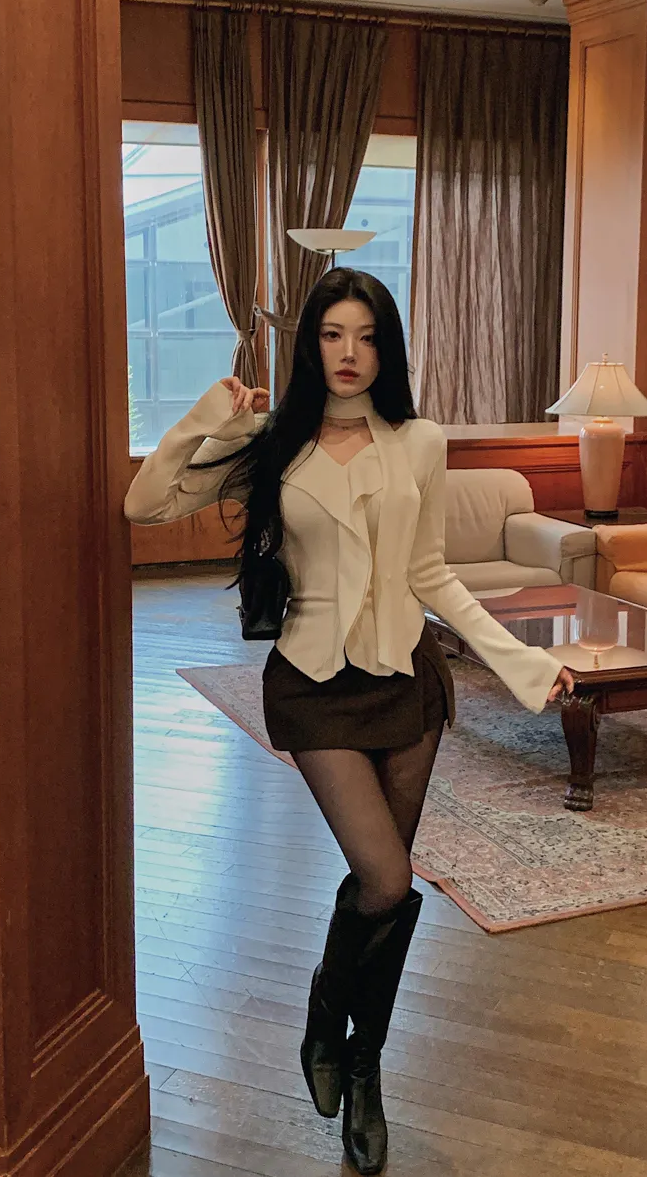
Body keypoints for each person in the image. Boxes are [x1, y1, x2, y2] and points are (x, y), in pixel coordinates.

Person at [124, 269, 574, 1176]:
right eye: (332, 335)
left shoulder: (420, 442)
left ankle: (360, 1067)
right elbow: (145, 504)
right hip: (313, 681)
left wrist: (521, 663)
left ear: (387, 348)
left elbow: (433, 574)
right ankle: (329, 1009)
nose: (349, 354)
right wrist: (206, 418)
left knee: (385, 893)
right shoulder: (274, 441)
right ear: (310, 345)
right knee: (386, 873)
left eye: (366, 337)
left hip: (406, 680)